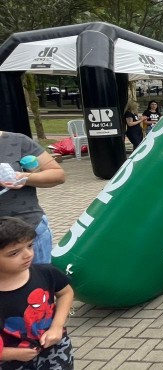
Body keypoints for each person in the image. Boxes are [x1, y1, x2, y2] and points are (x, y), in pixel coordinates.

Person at [0, 216, 75, 369]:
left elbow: (65, 293)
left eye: (29, 245)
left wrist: (57, 327)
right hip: (11, 362)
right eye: (14, 253)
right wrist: (8, 354)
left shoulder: (46, 273)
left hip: (56, 350)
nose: (27, 254)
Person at [0, 131, 66, 264]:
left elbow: (57, 174)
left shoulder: (17, 141)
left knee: (36, 282)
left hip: (27, 231)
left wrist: (23, 177)